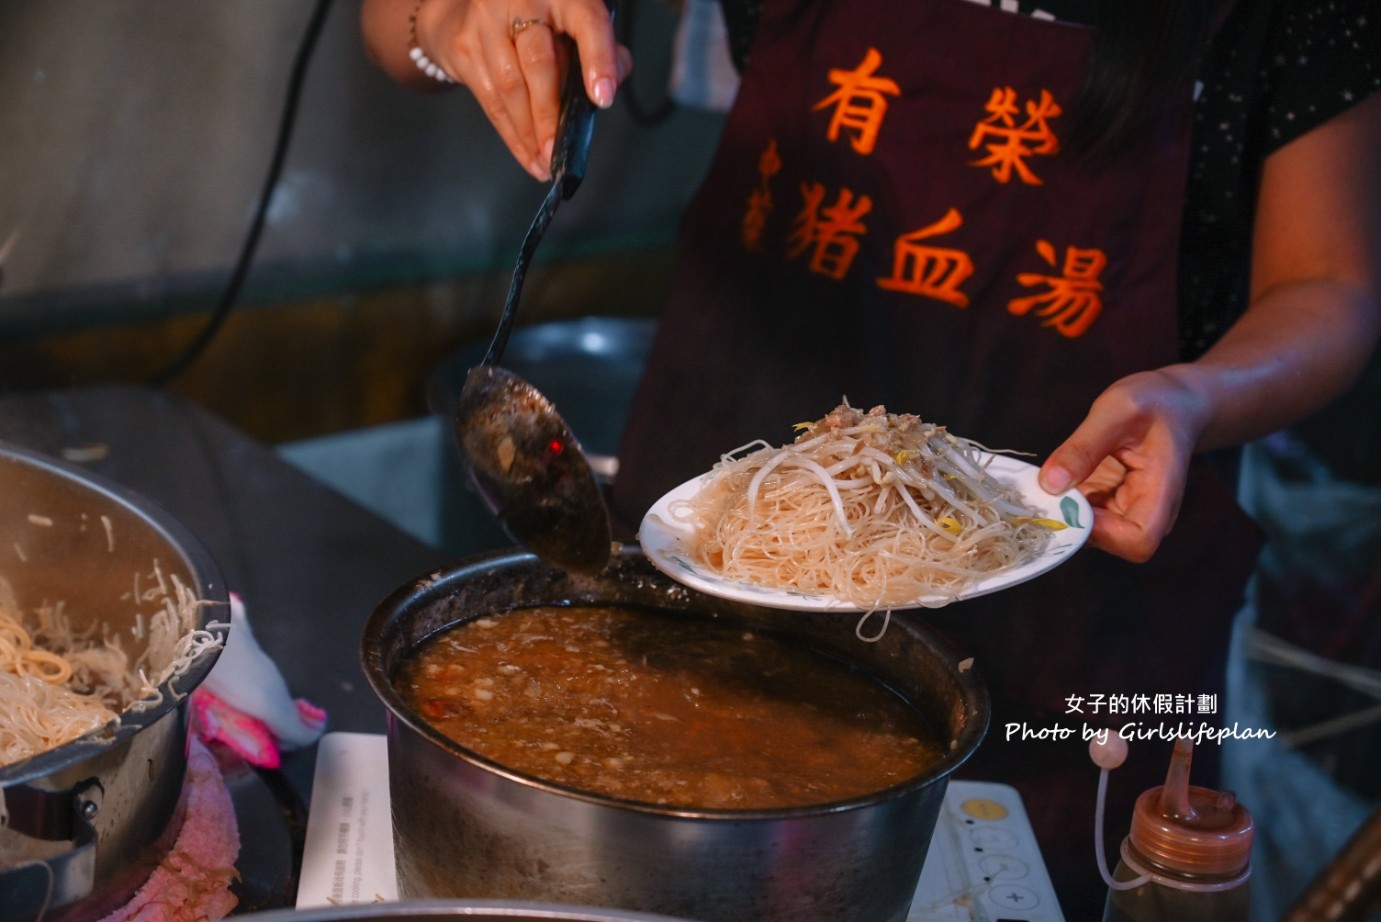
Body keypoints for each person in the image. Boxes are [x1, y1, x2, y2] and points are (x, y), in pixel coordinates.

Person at [363, 0, 1381, 914]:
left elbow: (1330, 285)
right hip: (722, 540)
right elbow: (396, 28)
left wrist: (1196, 397)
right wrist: (452, 24)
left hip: (1086, 578)